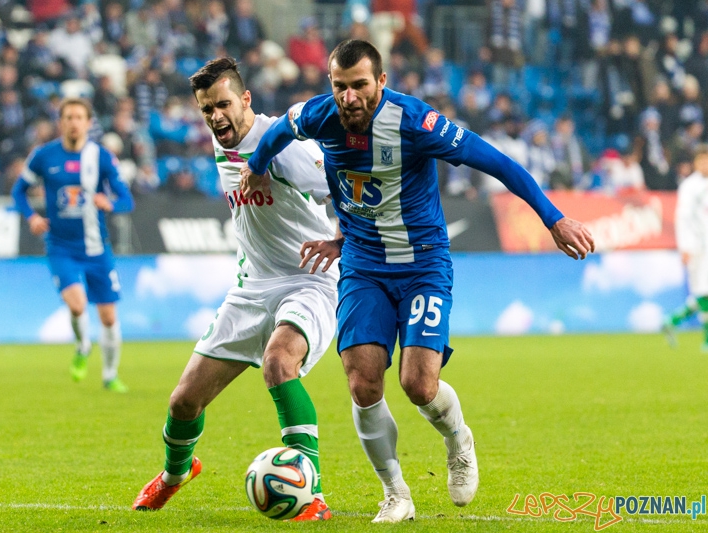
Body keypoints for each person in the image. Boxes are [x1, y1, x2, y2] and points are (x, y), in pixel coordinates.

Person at [241, 39, 595, 523]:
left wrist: (553, 220)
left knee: (418, 383)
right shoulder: (318, 115)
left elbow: (499, 163)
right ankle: (396, 494)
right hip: (364, 266)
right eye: (340, 87)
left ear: (381, 82)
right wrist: (257, 169)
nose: (349, 97)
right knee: (363, 383)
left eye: (360, 85)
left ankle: (458, 439)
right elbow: (278, 132)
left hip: (423, 262)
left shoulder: (416, 122)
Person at [131, 58, 339, 521]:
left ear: (247, 100)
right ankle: (175, 475)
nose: (216, 117)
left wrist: (342, 239)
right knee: (183, 402)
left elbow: (343, 186)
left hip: (308, 280)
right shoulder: (220, 136)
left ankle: (314, 491)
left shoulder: (285, 148)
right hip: (250, 290)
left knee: (279, 363)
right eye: (207, 110)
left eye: (224, 105)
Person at [11, 97, 134, 393]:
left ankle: (109, 375)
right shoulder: (44, 156)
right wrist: (31, 217)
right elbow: (19, 192)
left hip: (96, 248)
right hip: (61, 247)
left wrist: (110, 203)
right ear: (61, 122)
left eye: (79, 117)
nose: (74, 122)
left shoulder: (101, 157)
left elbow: (126, 200)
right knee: (77, 304)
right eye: (68, 117)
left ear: (89, 123)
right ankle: (82, 345)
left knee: (108, 316)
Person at [663, 145, 708, 351]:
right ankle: (706, 341)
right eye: (702, 160)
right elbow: (682, 219)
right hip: (697, 246)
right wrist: (685, 247)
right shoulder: (689, 187)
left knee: (703, 294)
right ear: (696, 163)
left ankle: (672, 320)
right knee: (703, 292)